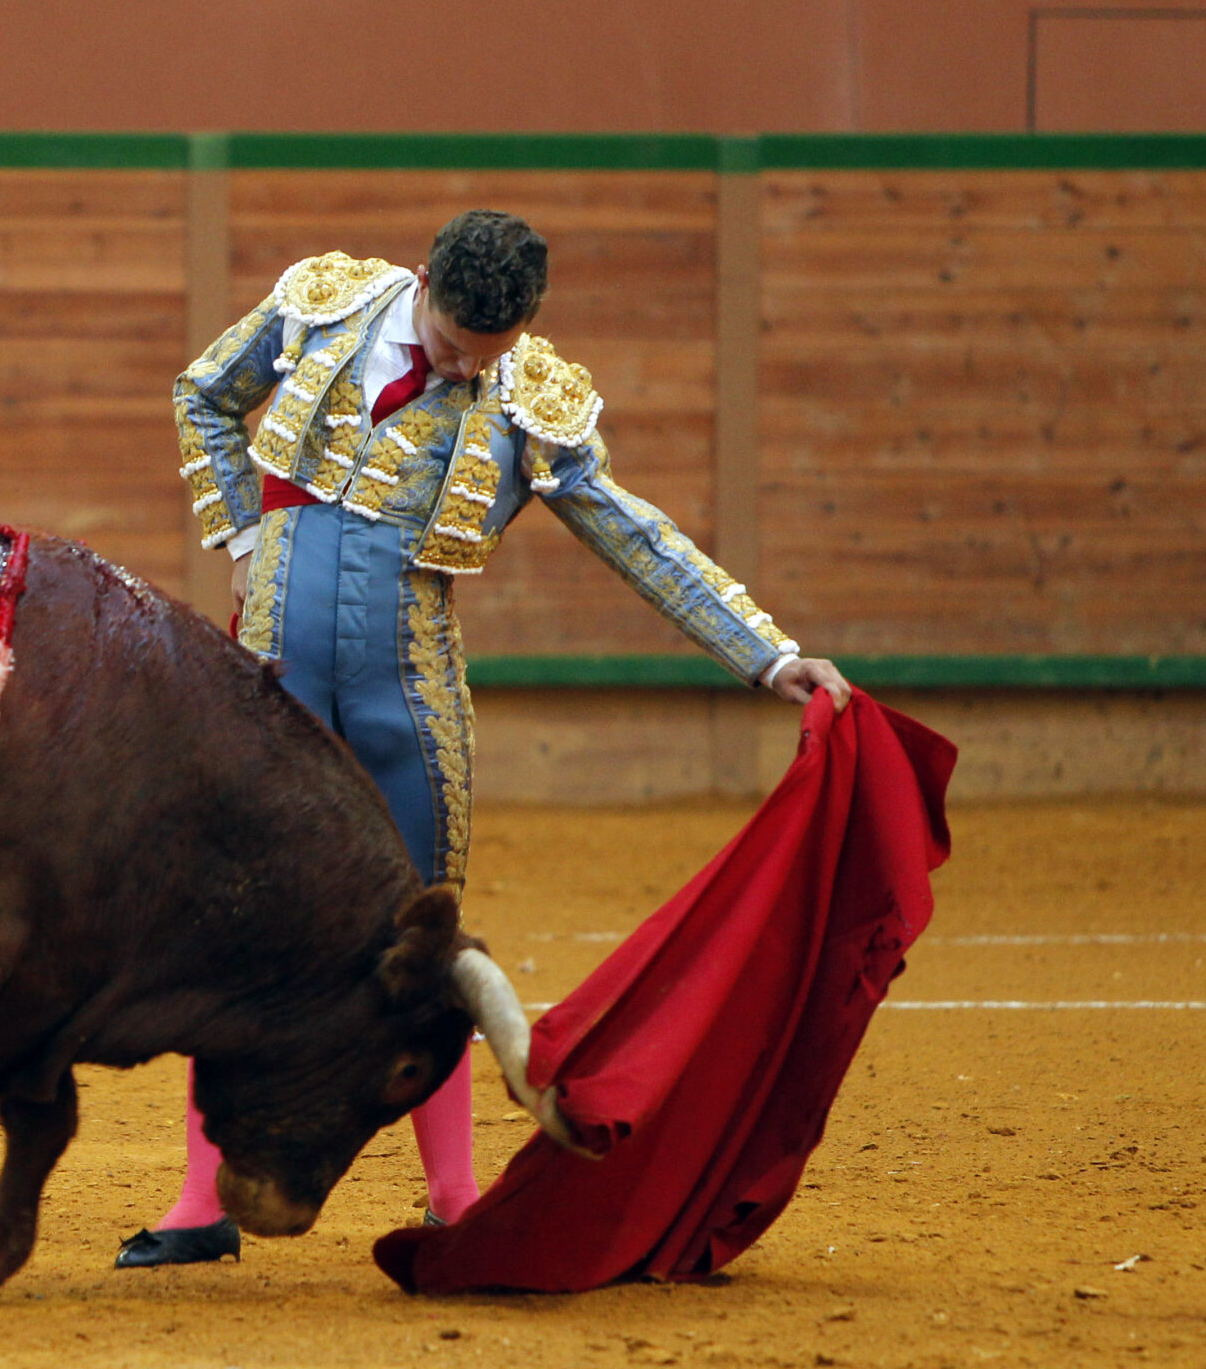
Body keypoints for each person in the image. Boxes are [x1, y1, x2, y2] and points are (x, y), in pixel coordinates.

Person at [118, 209, 850, 1269]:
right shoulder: (324, 303)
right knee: (233, 928)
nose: (463, 366)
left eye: (485, 354)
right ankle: (200, 1204)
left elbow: (633, 534)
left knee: (426, 940)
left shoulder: (527, 398)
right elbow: (203, 395)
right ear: (422, 280)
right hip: (269, 684)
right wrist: (238, 529)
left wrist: (769, 654)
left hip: (405, 698)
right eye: (453, 342)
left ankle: (454, 1196)